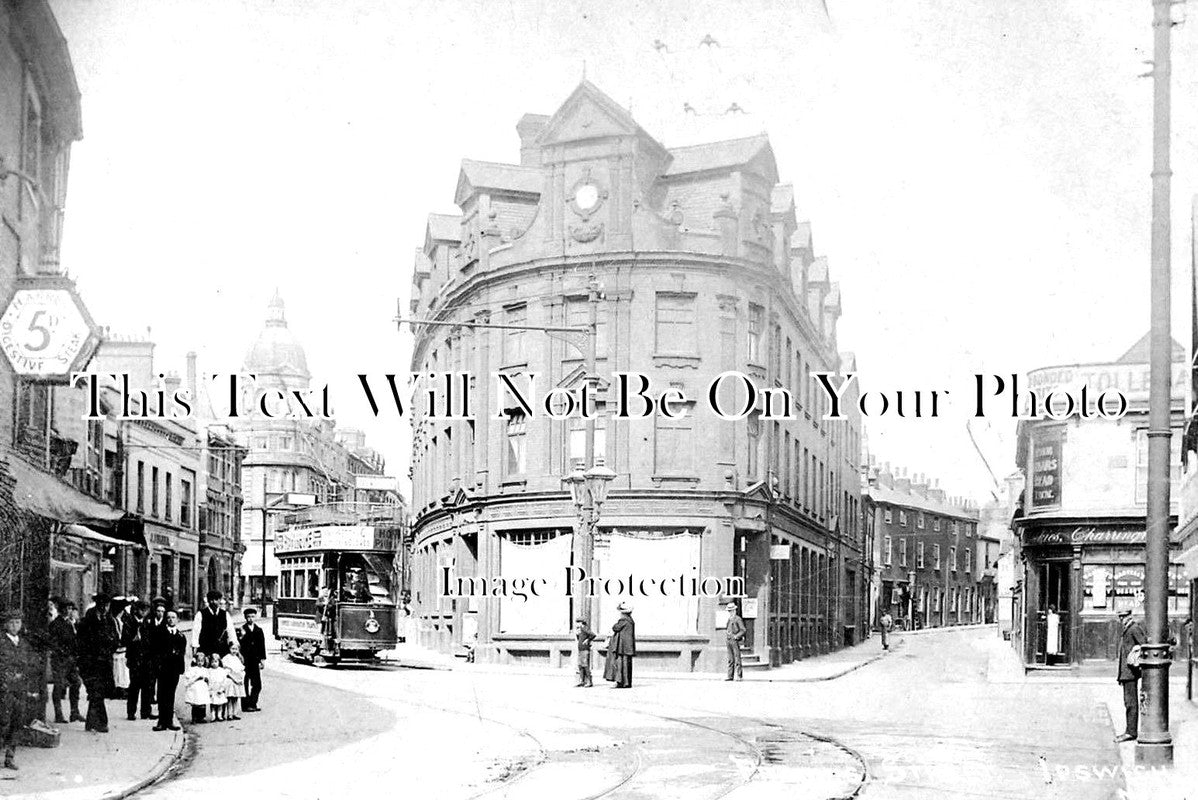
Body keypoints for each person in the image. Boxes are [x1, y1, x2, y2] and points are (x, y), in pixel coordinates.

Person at [0, 610, 37, 770]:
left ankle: (10, 757)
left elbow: (30, 664)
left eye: (18, 623)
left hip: (20, 688)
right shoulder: (2, 642)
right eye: (12, 623)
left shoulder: (23, 643)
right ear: (6, 624)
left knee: (17, 722)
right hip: (5, 688)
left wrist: (29, 685)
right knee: (3, 722)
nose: (15, 626)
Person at [78, 593, 118, 733]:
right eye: (103, 605)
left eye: (107, 605)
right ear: (98, 605)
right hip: (90, 663)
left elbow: (115, 639)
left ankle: (92, 723)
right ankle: (101, 722)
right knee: (96, 692)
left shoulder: (109, 620)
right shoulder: (88, 620)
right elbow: (82, 642)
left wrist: (108, 648)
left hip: (104, 662)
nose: (105, 608)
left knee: (98, 693)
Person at [1115, 607, 1147, 743]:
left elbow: (1144, 645)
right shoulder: (1128, 628)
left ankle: (1131, 732)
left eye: (1123, 617)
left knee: (1131, 703)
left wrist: (1136, 650)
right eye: (1120, 617)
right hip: (1126, 672)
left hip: (1130, 673)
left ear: (1129, 616)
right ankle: (1130, 730)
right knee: (1128, 702)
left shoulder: (1133, 628)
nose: (1121, 620)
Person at [48, 600, 83, 724]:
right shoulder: (56, 624)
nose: (68, 611)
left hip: (71, 660)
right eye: (66, 608)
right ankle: (58, 714)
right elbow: (53, 643)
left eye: (70, 608)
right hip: (60, 659)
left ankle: (75, 712)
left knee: (76, 682)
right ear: (61, 609)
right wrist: (62, 653)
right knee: (59, 686)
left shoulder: (70, 623)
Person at [152, 610, 187, 731]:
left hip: (174, 670)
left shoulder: (180, 636)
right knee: (162, 694)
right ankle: (161, 721)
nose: (171, 620)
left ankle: (169, 721)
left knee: (171, 694)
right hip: (163, 668)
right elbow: (155, 651)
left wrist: (180, 668)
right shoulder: (159, 633)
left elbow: (182, 653)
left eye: (173, 617)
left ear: (177, 620)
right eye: (168, 618)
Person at [124, 601, 154, 721]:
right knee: (134, 687)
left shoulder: (147, 623)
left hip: (146, 659)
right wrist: (133, 640)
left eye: (146, 610)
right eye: (142, 610)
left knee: (147, 686)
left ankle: (146, 711)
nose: (144, 613)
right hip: (134, 658)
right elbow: (124, 639)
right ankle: (131, 712)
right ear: (137, 610)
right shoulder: (130, 622)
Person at [192, 591, 237, 658]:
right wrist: (195, 648)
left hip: (222, 649)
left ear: (219, 600)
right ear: (208, 601)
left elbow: (231, 631)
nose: (214, 602)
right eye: (211, 600)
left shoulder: (225, 614)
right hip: (206, 649)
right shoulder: (200, 614)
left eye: (216, 599)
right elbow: (196, 632)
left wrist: (233, 644)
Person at [238, 608, 266, 712]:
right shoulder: (242, 629)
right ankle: (245, 705)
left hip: (255, 660)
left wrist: (262, 659)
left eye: (252, 616)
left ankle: (253, 703)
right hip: (245, 660)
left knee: (257, 684)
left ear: (256, 617)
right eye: (248, 616)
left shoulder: (259, 630)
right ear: (245, 617)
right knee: (245, 683)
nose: (250, 619)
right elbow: (238, 645)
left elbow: (262, 645)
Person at [604, 602, 636, 689]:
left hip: (622, 647)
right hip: (628, 647)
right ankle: (627, 683)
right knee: (627, 665)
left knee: (620, 664)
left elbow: (615, 628)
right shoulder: (630, 620)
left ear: (623, 612)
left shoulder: (623, 620)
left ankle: (620, 682)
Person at [183, 653, 210, 724]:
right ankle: (194, 718)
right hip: (195, 688)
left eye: (202, 661)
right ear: (195, 661)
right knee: (195, 703)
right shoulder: (193, 669)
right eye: (198, 661)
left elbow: (208, 678)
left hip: (202, 688)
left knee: (202, 703)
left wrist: (207, 679)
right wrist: (197, 678)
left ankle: (201, 717)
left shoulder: (205, 670)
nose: (200, 663)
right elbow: (189, 679)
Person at [222, 645, 245, 721]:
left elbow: (241, 670)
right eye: (232, 649)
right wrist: (233, 678)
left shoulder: (238, 659)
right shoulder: (227, 658)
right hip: (231, 680)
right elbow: (226, 671)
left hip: (237, 680)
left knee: (235, 698)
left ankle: (235, 713)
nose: (234, 651)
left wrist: (240, 678)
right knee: (230, 698)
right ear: (229, 649)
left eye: (236, 649)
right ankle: (229, 714)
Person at [725, 602, 746, 681]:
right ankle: (730, 676)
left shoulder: (738, 619)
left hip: (735, 640)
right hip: (729, 640)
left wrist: (736, 636)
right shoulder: (729, 619)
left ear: (735, 611)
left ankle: (739, 676)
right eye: (729, 611)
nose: (730, 612)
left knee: (737, 658)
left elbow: (743, 630)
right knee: (730, 659)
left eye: (731, 610)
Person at [573, 618, 597, 688]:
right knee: (580, 665)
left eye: (578, 622)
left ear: (581, 623)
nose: (577, 624)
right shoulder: (580, 629)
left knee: (585, 665)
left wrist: (588, 640)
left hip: (584, 649)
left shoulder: (584, 628)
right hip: (581, 649)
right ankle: (582, 681)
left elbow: (593, 635)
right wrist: (577, 634)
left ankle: (589, 681)